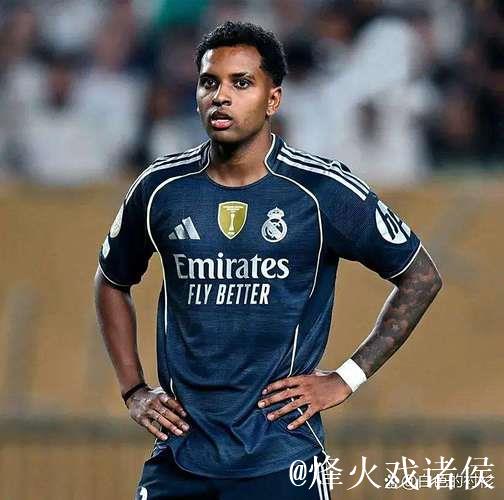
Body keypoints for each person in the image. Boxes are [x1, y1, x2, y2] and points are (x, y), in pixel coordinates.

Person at [94, 21, 442, 500]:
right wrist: (134, 390)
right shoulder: (161, 188)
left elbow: (421, 276)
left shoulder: (322, 190)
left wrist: (347, 377)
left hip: (282, 457)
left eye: (241, 83)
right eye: (209, 82)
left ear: (273, 99)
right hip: (179, 456)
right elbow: (111, 281)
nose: (221, 96)